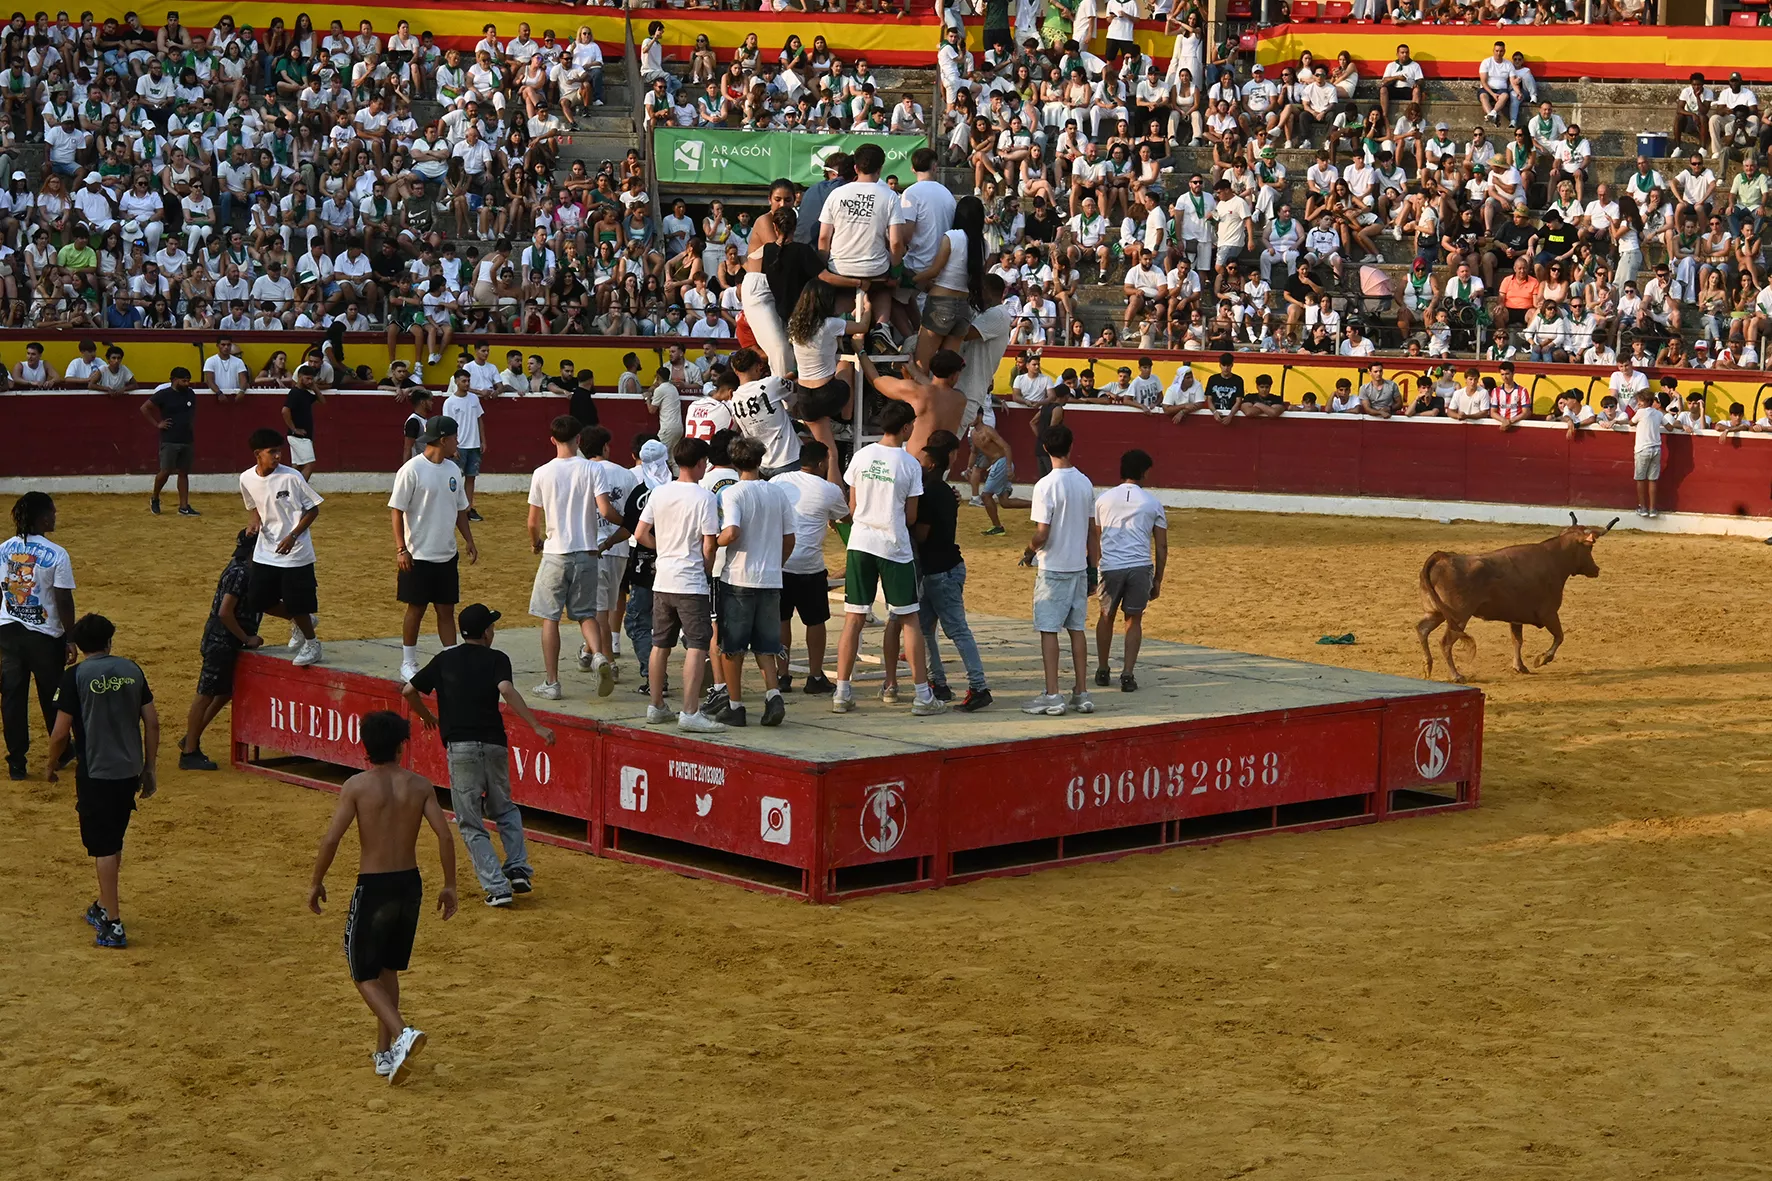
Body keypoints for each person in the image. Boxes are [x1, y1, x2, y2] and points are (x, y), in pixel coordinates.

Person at [306, 710, 458, 1084]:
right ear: (402, 745)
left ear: (365, 746)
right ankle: (385, 1053)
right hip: (410, 885)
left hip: (374, 886)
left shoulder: (356, 786)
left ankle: (403, 1033)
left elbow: (332, 838)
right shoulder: (420, 785)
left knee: (362, 971)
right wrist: (450, 884)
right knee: (387, 968)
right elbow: (444, 835)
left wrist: (316, 880)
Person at [403, 604, 555, 907]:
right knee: (506, 809)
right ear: (486, 632)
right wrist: (536, 725)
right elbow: (507, 690)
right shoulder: (498, 658)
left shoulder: (445, 659)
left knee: (471, 821)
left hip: (460, 748)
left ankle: (498, 887)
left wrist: (427, 716)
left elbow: (409, 690)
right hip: (494, 744)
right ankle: (518, 869)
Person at [44, 613, 156, 950]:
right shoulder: (132, 670)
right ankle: (104, 904)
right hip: (129, 770)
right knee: (114, 840)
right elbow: (151, 722)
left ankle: (113, 922)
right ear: (109, 641)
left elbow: (60, 733)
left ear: (78, 645)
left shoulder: (74, 677)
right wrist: (149, 768)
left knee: (104, 846)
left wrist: (50, 765)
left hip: (96, 772)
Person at [833, 401, 946, 716]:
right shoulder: (909, 464)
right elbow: (910, 516)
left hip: (860, 542)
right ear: (907, 427)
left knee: (854, 618)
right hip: (893, 545)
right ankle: (922, 695)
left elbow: (853, 509)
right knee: (909, 618)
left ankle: (842, 692)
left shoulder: (861, 456)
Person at [892, 430, 991, 711]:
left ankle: (978, 686)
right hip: (942, 567)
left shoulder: (930, 491)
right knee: (927, 629)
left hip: (939, 570)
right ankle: (941, 682)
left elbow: (922, 535)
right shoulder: (941, 490)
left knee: (952, 630)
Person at [633, 437, 726, 733]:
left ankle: (657, 704)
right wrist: (706, 569)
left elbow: (640, 533)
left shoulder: (659, 493)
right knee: (697, 645)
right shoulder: (704, 498)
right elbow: (709, 545)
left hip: (664, 579)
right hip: (691, 580)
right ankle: (690, 710)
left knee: (660, 644)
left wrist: (664, 550)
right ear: (701, 464)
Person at [526, 415, 619, 700]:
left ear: (552, 439)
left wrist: (536, 542)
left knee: (549, 618)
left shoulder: (542, 472)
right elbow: (605, 510)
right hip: (587, 551)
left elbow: (532, 522)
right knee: (586, 614)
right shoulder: (592, 469)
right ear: (579, 439)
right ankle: (600, 657)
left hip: (556, 551)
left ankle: (552, 682)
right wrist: (626, 523)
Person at [712, 437, 795, 728]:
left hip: (738, 576)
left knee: (732, 647)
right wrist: (776, 564)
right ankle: (773, 694)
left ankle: (735, 705)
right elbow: (789, 539)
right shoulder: (777, 493)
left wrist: (712, 541)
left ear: (735, 463)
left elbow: (732, 531)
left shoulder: (733, 493)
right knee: (765, 644)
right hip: (770, 577)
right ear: (760, 461)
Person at [389, 415, 478, 683]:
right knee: (415, 609)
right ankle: (408, 662)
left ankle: (451, 660)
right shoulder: (411, 470)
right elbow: (396, 511)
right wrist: (401, 549)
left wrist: (469, 540)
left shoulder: (452, 470)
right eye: (454, 438)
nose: (457, 442)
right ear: (443, 439)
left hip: (446, 554)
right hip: (417, 555)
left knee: (446, 610)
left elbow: (460, 509)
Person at [1021, 423, 1100, 716]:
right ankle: (1081, 692)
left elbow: (1042, 533)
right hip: (1078, 566)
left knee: (1048, 629)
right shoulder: (1084, 482)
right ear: (1071, 445)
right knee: (1076, 629)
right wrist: (1093, 569)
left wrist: (1029, 551)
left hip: (1053, 566)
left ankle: (1053, 693)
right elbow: (1092, 532)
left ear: (1045, 449)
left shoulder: (1045, 485)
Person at [2, 492, 75, 781]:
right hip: (44, 637)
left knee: (12, 698)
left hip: (8, 632)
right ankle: (62, 751)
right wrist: (70, 638)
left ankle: (17, 762)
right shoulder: (57, 553)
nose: (55, 516)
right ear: (43, 517)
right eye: (53, 513)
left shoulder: (3, 549)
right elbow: (63, 600)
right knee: (53, 696)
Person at [177, 529, 264, 770]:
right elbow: (225, 612)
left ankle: (190, 740)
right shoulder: (242, 572)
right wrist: (246, 638)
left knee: (224, 692)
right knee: (206, 694)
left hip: (223, 640)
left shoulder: (238, 567)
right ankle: (189, 751)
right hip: (223, 642)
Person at [771, 441, 849, 697]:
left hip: (780, 562)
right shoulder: (829, 490)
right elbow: (845, 517)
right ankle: (815, 675)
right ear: (821, 463)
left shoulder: (779, 481)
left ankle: (782, 674)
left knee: (782, 619)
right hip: (809, 566)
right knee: (816, 622)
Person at [1093, 449, 1167, 693]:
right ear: (1145, 473)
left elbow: (1096, 538)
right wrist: (1158, 579)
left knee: (1106, 616)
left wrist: (1094, 569)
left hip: (1111, 566)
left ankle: (1103, 668)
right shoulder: (1152, 503)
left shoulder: (1103, 499)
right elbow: (1161, 545)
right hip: (1139, 566)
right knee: (1133, 619)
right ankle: (1127, 673)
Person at [579, 426, 637, 678]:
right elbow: (634, 514)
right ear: (604, 447)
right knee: (609, 604)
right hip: (619, 547)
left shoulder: (580, 472)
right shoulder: (626, 475)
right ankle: (590, 649)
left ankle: (608, 661)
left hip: (591, 546)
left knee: (596, 609)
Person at [140, 366, 200, 516]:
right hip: (170, 439)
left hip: (186, 438)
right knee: (165, 471)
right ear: (174, 380)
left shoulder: (190, 394)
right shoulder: (164, 394)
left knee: (183, 472)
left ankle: (184, 506)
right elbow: (144, 408)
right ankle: (155, 497)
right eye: (183, 380)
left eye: (188, 381)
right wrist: (157, 424)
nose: (187, 384)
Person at [440, 369, 489, 520]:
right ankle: (452, 508)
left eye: (468, 381)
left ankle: (468, 508)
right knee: (454, 479)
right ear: (456, 382)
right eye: (463, 381)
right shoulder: (449, 402)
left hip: (473, 445)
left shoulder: (474, 399)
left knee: (470, 477)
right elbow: (447, 427)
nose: (467, 384)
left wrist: (483, 440)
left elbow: (479, 420)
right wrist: (452, 448)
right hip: (459, 446)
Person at [1618, 388, 1664, 518]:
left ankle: (1643, 508)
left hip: (1642, 449)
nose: (1638, 403)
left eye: (1640, 401)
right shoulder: (1658, 413)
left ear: (1645, 401)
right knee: (1652, 480)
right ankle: (1653, 509)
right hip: (1656, 449)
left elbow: (1631, 423)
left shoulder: (1640, 413)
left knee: (1640, 479)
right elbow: (1670, 427)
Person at [282, 365, 326, 479]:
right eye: (308, 378)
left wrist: (315, 387)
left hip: (300, 435)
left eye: (312, 379)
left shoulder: (304, 393)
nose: (310, 381)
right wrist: (294, 429)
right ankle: (298, 491)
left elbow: (322, 401)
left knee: (296, 466)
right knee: (309, 465)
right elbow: (285, 411)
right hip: (299, 436)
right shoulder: (295, 393)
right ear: (300, 377)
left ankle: (290, 491)